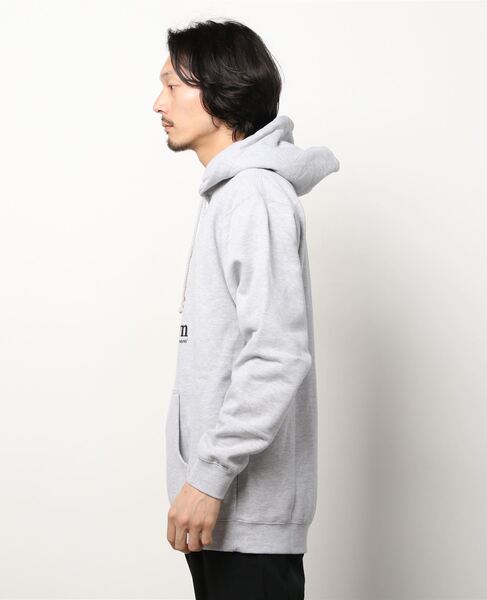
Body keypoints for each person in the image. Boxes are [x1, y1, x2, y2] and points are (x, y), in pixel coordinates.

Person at [153, 18, 339, 600]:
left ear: (219, 91)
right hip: (222, 517)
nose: (158, 103)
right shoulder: (230, 196)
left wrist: (207, 478)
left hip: (244, 517)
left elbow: (277, 354)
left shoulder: (253, 195)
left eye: (172, 85)